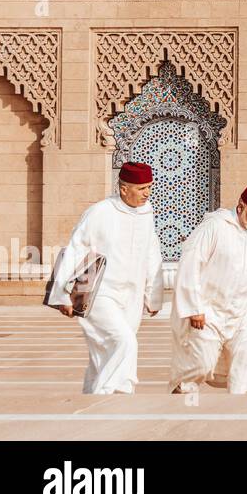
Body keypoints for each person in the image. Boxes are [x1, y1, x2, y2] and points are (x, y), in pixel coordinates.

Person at [47, 162, 163, 394]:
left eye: (149, 187)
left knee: (104, 352)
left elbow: (152, 254)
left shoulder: (146, 213)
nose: (147, 193)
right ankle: (110, 395)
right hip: (100, 293)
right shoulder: (101, 212)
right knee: (124, 342)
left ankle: (92, 398)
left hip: (132, 296)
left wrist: (153, 295)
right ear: (123, 189)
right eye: (141, 188)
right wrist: (61, 294)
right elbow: (75, 249)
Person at [168, 185, 247, 394]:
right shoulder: (215, 227)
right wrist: (194, 307)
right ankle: (181, 391)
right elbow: (191, 263)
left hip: (243, 312)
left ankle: (238, 406)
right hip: (209, 311)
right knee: (202, 363)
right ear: (241, 206)